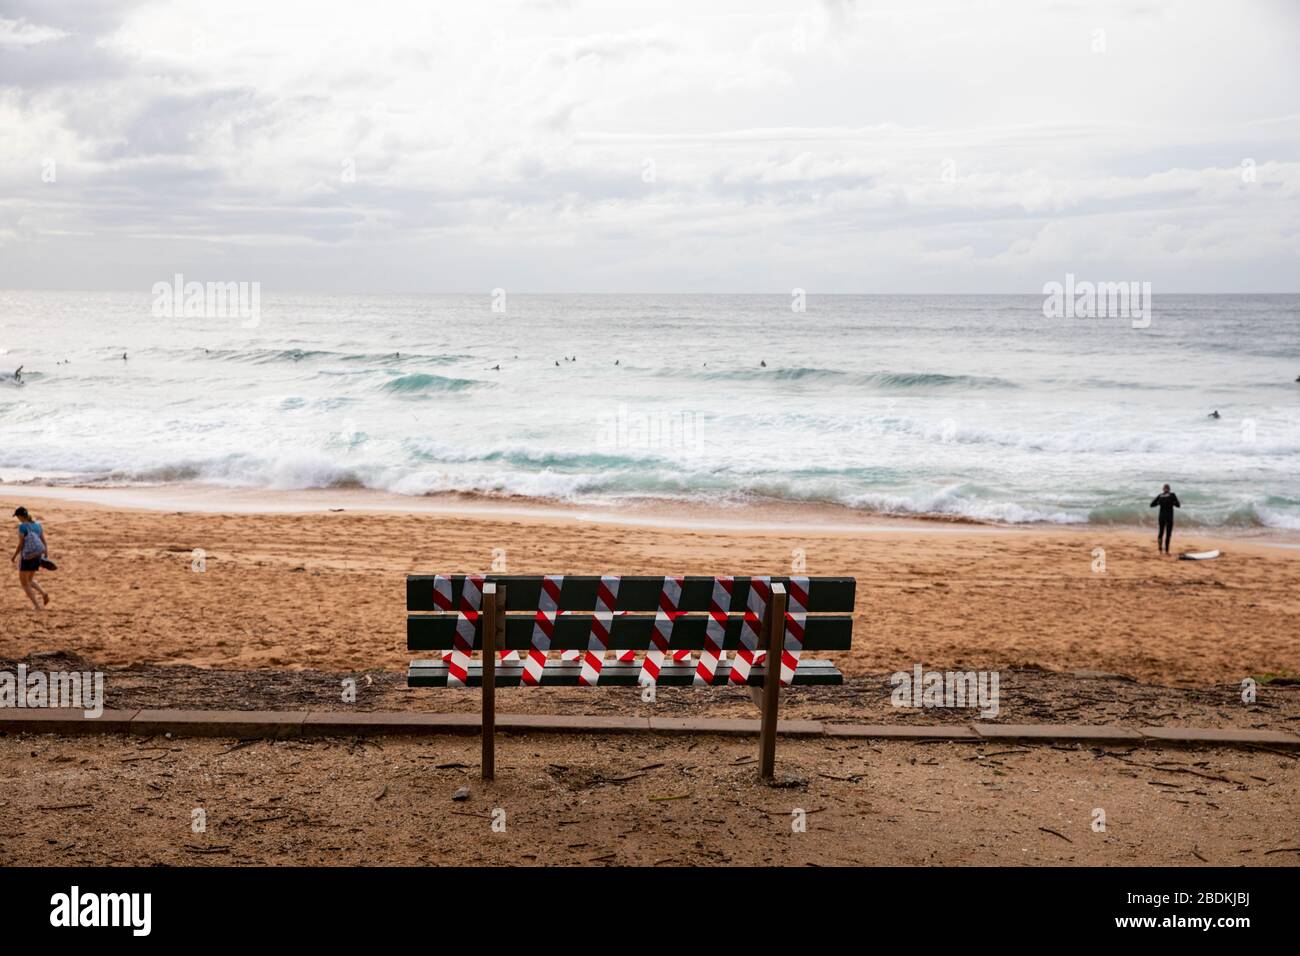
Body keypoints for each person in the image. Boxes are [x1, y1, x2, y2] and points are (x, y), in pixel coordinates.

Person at [10, 506, 50, 610]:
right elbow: (43, 541)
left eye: (17, 516)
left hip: (27, 557)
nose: (17, 519)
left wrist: (14, 556)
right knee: (30, 580)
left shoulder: (22, 527)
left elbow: (21, 545)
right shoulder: (38, 525)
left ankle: (37, 606)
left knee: (24, 583)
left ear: (20, 516)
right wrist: (46, 553)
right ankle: (44, 592)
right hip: (37, 555)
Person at [1149, 485, 1180, 554]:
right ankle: (1166, 550)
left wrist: (1159, 503)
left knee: (1161, 533)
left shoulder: (1160, 496)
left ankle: (1160, 549)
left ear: (1163, 489)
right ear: (1169, 489)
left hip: (1161, 517)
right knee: (1168, 534)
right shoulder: (1172, 495)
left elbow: (1151, 505)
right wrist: (1173, 502)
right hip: (1169, 517)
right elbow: (1178, 505)